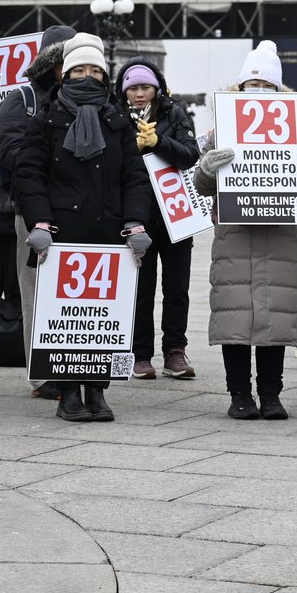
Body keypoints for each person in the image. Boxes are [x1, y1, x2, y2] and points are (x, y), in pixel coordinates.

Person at [14, 38, 154, 422]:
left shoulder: (117, 119)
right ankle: (68, 394)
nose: (87, 77)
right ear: (65, 76)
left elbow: (134, 176)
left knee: (101, 315)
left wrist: (135, 221)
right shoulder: (46, 118)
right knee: (65, 317)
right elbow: (29, 174)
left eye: (95, 71)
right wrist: (38, 222)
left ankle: (97, 390)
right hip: (59, 233)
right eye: (79, 71)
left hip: (108, 232)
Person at [193, 40, 297, 422]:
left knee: (277, 316)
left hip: (278, 234)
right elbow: (200, 185)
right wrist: (207, 167)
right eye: (251, 86)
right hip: (234, 233)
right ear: (239, 89)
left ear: (278, 91)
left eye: (266, 87)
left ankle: (271, 394)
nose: (259, 92)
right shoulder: (223, 129)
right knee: (233, 315)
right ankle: (239, 394)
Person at [0, 25, 78, 396]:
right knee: (35, 291)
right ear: (50, 63)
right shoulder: (21, 100)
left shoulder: (93, 100)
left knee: (74, 293)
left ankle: (78, 363)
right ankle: (43, 373)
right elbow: (9, 155)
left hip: (80, 210)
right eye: (63, 61)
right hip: (32, 211)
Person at [116, 55, 200, 379]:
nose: (139, 94)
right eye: (133, 88)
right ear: (124, 92)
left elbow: (190, 154)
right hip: (138, 215)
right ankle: (140, 353)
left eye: (146, 88)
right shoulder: (117, 117)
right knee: (142, 288)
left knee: (177, 287)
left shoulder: (174, 113)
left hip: (177, 214)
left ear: (157, 90)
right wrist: (133, 148)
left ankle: (175, 351)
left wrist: (158, 142)